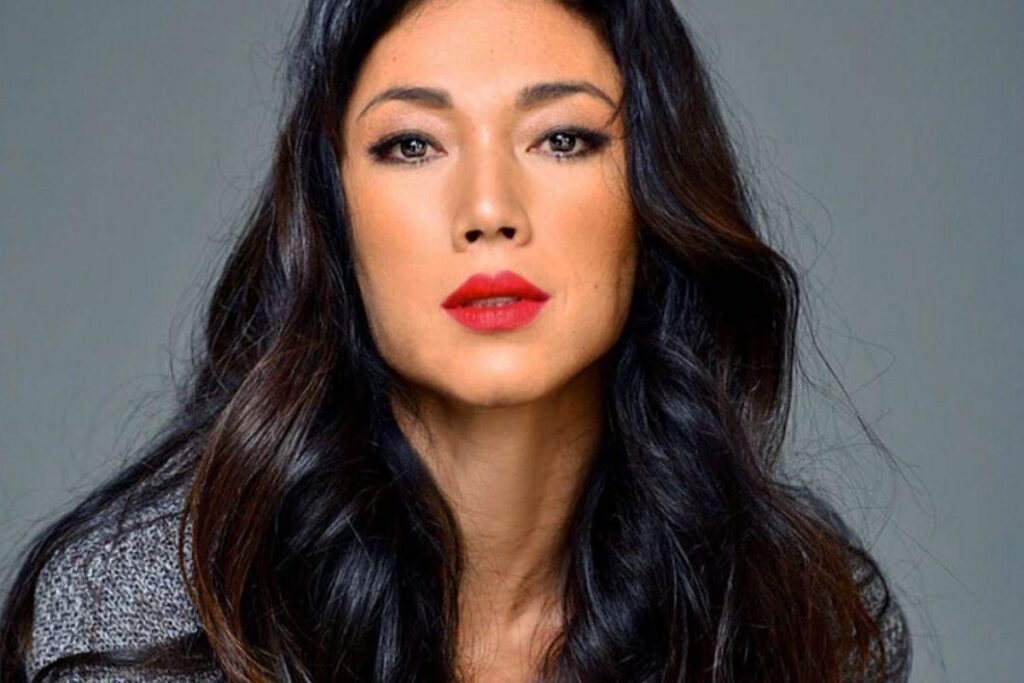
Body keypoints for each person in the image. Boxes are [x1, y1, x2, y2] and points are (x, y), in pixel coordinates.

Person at [0, 0, 912, 681]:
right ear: (336, 215)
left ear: (652, 195)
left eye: (561, 138)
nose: (488, 209)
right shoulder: (152, 624)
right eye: (412, 145)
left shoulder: (784, 611)